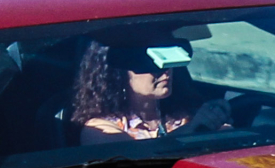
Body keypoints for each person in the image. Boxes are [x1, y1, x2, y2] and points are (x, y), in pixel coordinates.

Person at [69, 42, 228, 143]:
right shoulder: (99, 128)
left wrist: (217, 123)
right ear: (119, 75)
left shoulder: (185, 115)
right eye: (151, 66)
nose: (166, 72)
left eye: (168, 64)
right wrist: (195, 128)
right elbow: (137, 157)